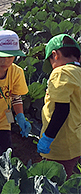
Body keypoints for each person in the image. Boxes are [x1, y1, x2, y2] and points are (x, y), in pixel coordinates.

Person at [37, 34, 81, 179]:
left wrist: (48, 138)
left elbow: (62, 110)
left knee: (57, 183)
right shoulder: (78, 73)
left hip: (60, 144)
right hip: (76, 141)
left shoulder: (60, 73)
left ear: (55, 55)